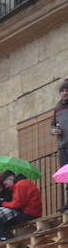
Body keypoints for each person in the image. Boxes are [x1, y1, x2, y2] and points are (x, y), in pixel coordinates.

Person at [0, 172, 42, 247]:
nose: (6, 186)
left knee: (0, 218)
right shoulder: (22, 184)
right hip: (32, 212)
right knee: (0, 220)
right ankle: (2, 239)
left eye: (5, 184)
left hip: (29, 213)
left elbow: (17, 204)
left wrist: (3, 204)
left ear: (10, 179)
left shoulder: (20, 185)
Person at [51, 78, 68, 211]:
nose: (64, 93)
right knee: (66, 175)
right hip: (62, 146)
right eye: (62, 90)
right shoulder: (57, 108)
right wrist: (54, 131)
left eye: (66, 90)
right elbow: (52, 125)